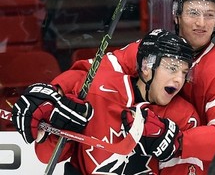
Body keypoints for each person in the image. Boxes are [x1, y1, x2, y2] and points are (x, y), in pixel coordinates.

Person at [66, 0, 215, 174]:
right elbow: (91, 73)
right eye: (193, 12)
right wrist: (57, 91)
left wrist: (177, 140)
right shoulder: (154, 50)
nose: (201, 23)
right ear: (176, 14)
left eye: (209, 15)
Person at [12, 29, 201, 174]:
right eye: (172, 68)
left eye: (184, 72)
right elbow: (46, 156)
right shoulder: (97, 89)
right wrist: (64, 126)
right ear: (146, 66)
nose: (178, 79)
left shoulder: (184, 117)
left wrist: (173, 148)